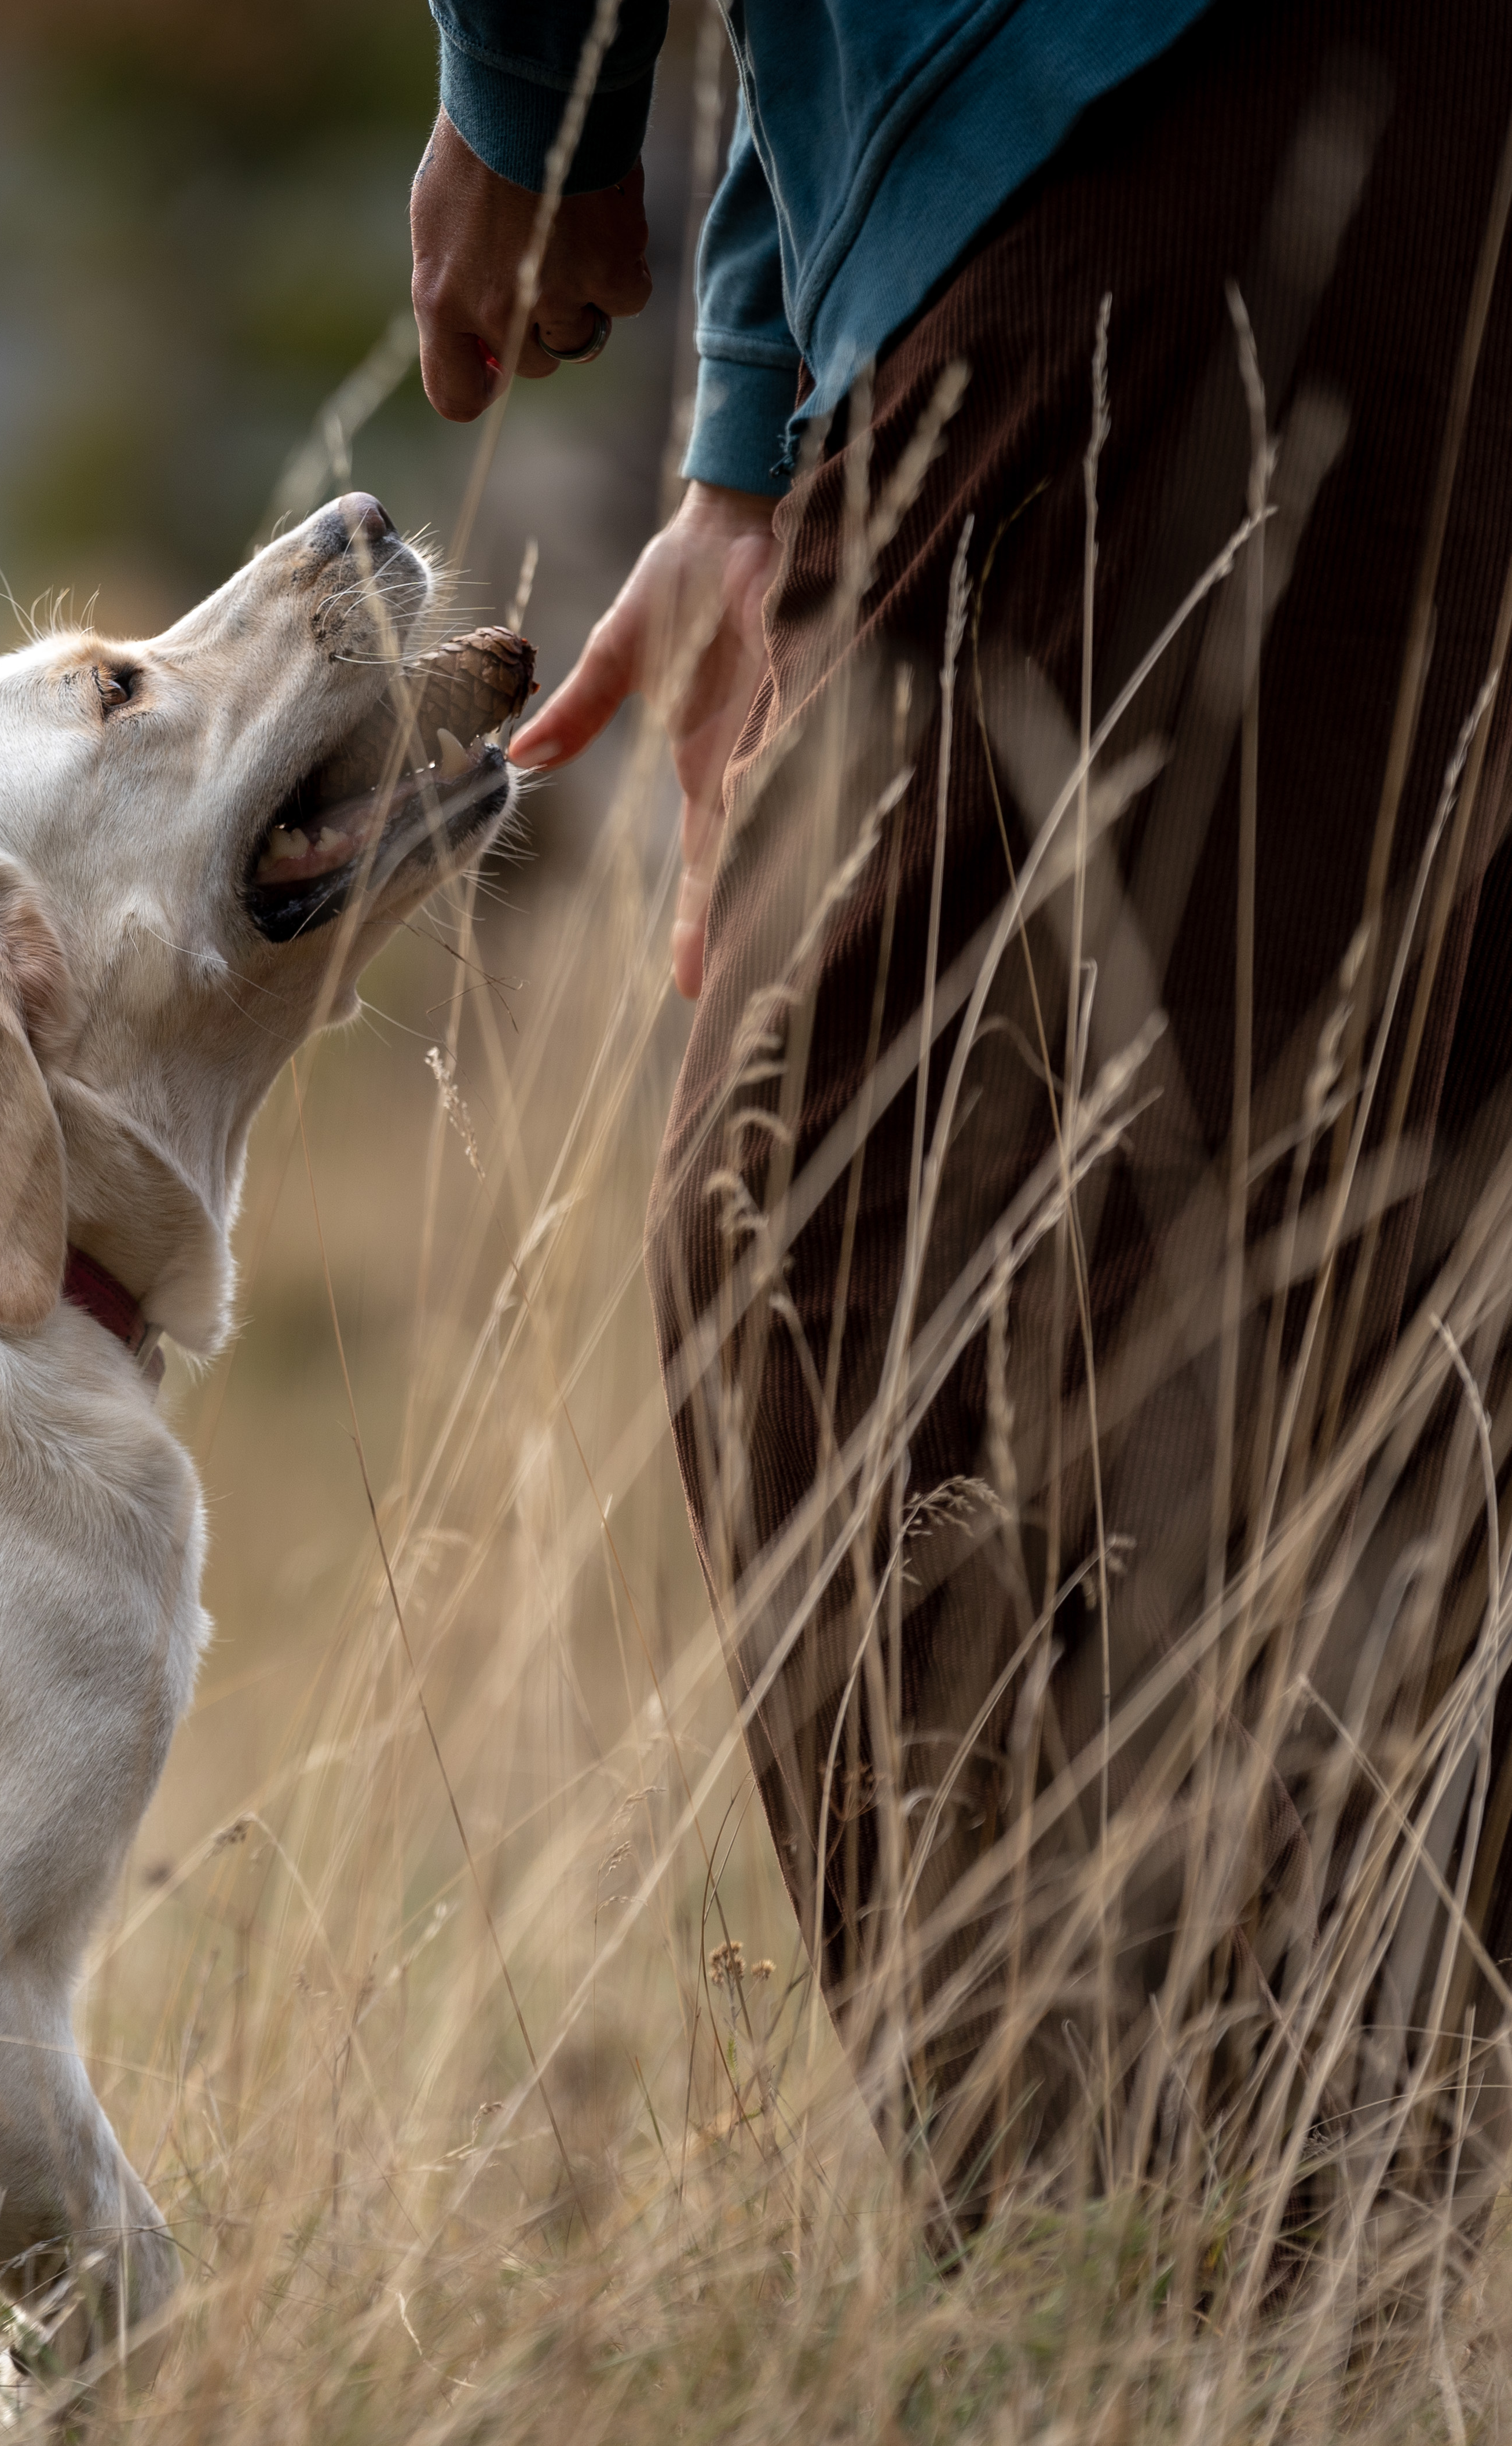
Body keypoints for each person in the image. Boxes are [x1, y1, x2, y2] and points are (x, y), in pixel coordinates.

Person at [415, 0, 1512, 2285]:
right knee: (1396, 1229)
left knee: (845, 1228)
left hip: (1179, 134)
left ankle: (1166, 2307)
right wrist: (752, 418)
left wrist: (536, 106)